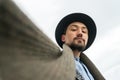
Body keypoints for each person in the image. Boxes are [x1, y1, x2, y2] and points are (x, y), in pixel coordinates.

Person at [55, 13, 105, 80]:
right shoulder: (54, 63)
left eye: (84, 31)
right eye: (74, 29)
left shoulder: (89, 68)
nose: (80, 33)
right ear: (63, 38)